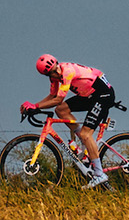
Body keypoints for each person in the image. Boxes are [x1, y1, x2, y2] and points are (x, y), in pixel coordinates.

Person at [22, 54, 117, 188]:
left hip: (102, 95)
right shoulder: (54, 77)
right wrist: (33, 105)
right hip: (89, 95)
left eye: (55, 71)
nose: (54, 75)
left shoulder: (67, 71)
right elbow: (52, 96)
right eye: (51, 74)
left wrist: (36, 107)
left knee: (86, 134)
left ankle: (99, 174)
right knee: (60, 110)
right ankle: (83, 143)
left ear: (56, 65)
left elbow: (57, 99)